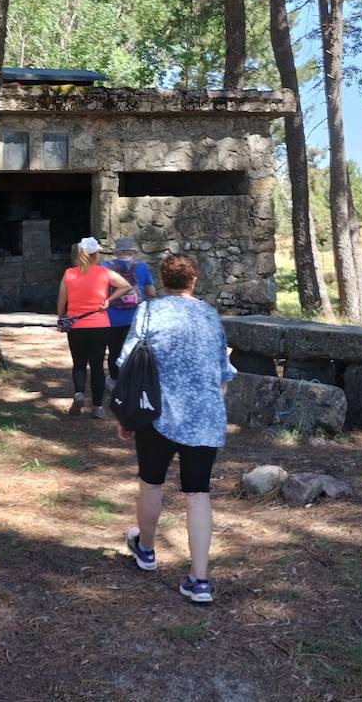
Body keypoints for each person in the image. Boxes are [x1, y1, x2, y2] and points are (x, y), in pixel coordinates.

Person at [116, 252, 234, 604]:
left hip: (156, 414)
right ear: (193, 281)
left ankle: (147, 550)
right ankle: (199, 581)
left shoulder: (149, 311)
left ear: (164, 281)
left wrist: (126, 418)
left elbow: (126, 362)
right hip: (204, 417)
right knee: (198, 493)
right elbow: (224, 374)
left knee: (151, 483)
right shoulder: (210, 316)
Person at [57, 236, 132, 418]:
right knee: (97, 366)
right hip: (100, 325)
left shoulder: (69, 273)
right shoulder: (104, 273)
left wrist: (61, 317)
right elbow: (126, 286)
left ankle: (79, 394)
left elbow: (62, 300)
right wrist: (108, 300)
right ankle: (98, 407)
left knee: (79, 363)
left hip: (76, 325)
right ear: (95, 254)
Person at [104, 236, 156, 384]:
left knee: (114, 350)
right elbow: (151, 293)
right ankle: (132, 381)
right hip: (136, 318)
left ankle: (115, 381)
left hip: (112, 317)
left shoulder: (104, 267)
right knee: (134, 350)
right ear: (133, 251)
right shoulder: (142, 267)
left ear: (117, 251)